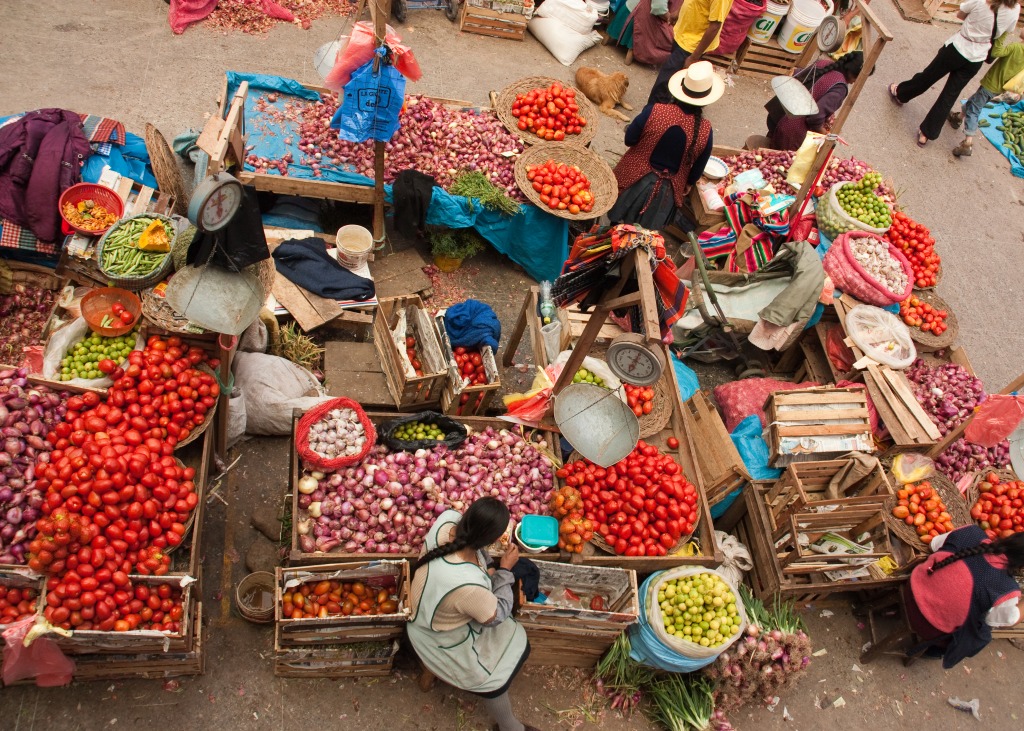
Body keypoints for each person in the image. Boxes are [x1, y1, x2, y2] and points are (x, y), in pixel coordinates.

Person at [407, 498, 538, 731]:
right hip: (437, 639)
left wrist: (488, 567)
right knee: (493, 682)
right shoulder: (468, 587)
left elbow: (479, 555)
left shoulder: (447, 519)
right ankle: (509, 727)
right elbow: (497, 615)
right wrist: (505, 570)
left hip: (423, 615)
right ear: (492, 540)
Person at [889, 0, 1021, 147]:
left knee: (928, 76)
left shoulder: (982, 1)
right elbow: (1003, 33)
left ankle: (901, 94)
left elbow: (960, 15)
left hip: (957, 48)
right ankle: (926, 134)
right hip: (977, 58)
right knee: (949, 95)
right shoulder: (1015, 9)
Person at [610, 61, 722, 231]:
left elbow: (629, 139)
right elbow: (696, 171)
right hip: (666, 194)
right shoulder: (705, 130)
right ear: (705, 101)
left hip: (632, 179)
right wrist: (688, 183)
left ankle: (610, 235)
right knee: (642, 235)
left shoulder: (655, 111)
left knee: (616, 223)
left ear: (680, 90)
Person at [906, 525, 1023, 668]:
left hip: (910, 589)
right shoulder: (1007, 589)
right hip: (926, 625)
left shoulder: (971, 532)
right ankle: (935, 650)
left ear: (1011, 536)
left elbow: (934, 544)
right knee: (983, 633)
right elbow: (1005, 619)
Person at [766, 52, 865, 151]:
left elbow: (799, 75)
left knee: (768, 149)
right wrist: (825, 135)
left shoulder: (824, 63)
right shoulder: (840, 88)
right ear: (856, 74)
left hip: (776, 115)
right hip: (790, 130)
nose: (855, 82)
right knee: (779, 159)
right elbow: (815, 118)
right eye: (859, 78)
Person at [948, 26, 1024, 156]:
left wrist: (1003, 33)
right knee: (975, 101)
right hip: (1000, 88)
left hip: (991, 84)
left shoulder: (1016, 47)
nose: (1021, 27)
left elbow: (996, 52)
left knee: (974, 110)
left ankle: (968, 142)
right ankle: (958, 117)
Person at [647, 0, 735, 105]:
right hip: (683, 35)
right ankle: (670, 110)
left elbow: (715, 26)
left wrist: (694, 57)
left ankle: (652, 115)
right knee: (678, 80)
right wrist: (678, 12)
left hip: (692, 45)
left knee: (664, 82)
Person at [606, 0, 682, 66]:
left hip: (631, 7)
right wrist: (672, 20)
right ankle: (638, 49)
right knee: (675, 40)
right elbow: (658, 8)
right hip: (642, 15)